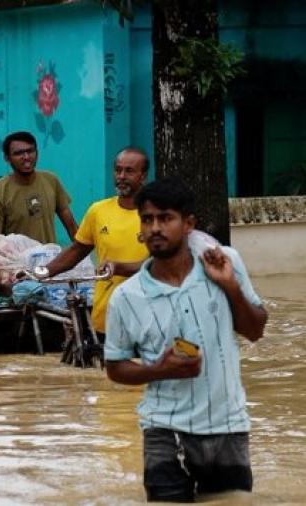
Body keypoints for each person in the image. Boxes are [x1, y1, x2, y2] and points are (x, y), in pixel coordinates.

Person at [104, 177, 268, 502]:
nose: (155, 228)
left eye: (165, 218)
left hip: (228, 427)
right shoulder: (126, 297)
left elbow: (255, 330)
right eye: (147, 219)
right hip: (163, 430)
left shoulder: (225, 263)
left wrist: (230, 287)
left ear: (188, 224)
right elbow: (114, 367)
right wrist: (158, 370)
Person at [37, 147, 150, 340]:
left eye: (129, 171)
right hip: (106, 316)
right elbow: (77, 250)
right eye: (118, 170)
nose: (121, 176)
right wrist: (43, 272)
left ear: (143, 176)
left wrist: (118, 267)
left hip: (148, 318)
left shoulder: (156, 214)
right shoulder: (98, 211)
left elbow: (160, 264)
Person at [0, 131, 78, 244]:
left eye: (30, 151)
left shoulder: (51, 181)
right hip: (17, 261)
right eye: (18, 153)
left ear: (37, 153)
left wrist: (84, 257)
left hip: (52, 260)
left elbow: (71, 225)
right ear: (7, 158)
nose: (26, 157)